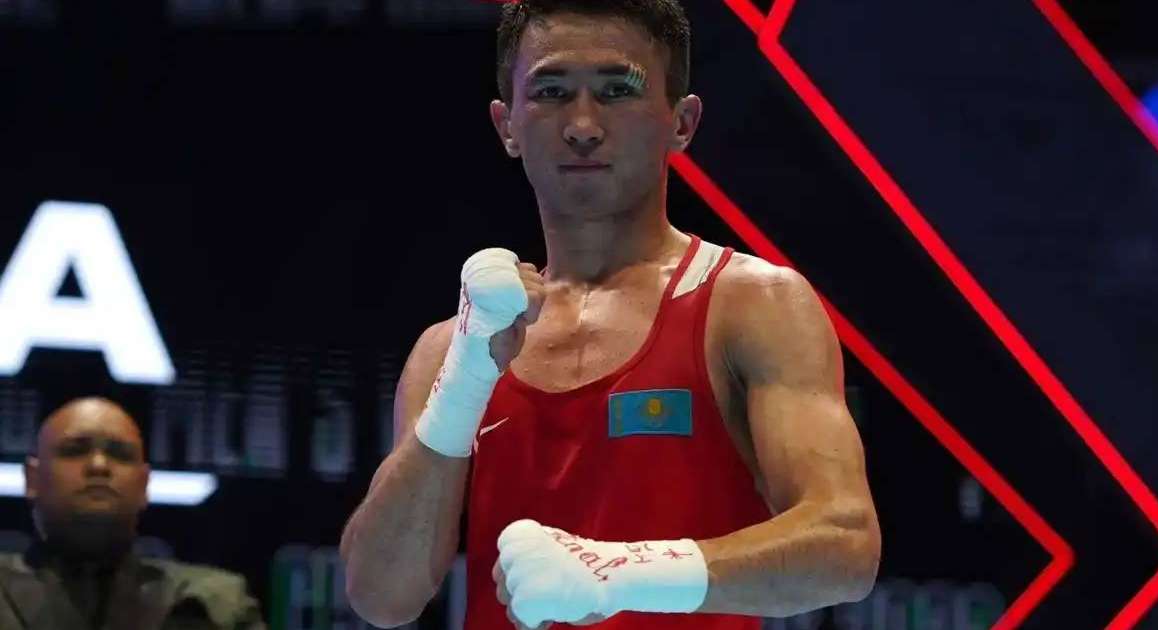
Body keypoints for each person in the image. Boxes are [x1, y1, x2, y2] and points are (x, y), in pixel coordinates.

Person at [340, 1, 881, 628]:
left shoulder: (751, 304)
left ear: (682, 122)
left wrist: (618, 575)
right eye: (551, 91)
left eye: (617, 90)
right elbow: (381, 597)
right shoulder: (452, 347)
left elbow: (845, 544)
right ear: (507, 125)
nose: (583, 124)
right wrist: (463, 381)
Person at [0, 397, 266, 630]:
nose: (99, 465)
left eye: (120, 454)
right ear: (32, 479)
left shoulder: (215, 604)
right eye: (75, 451)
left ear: (144, 485)